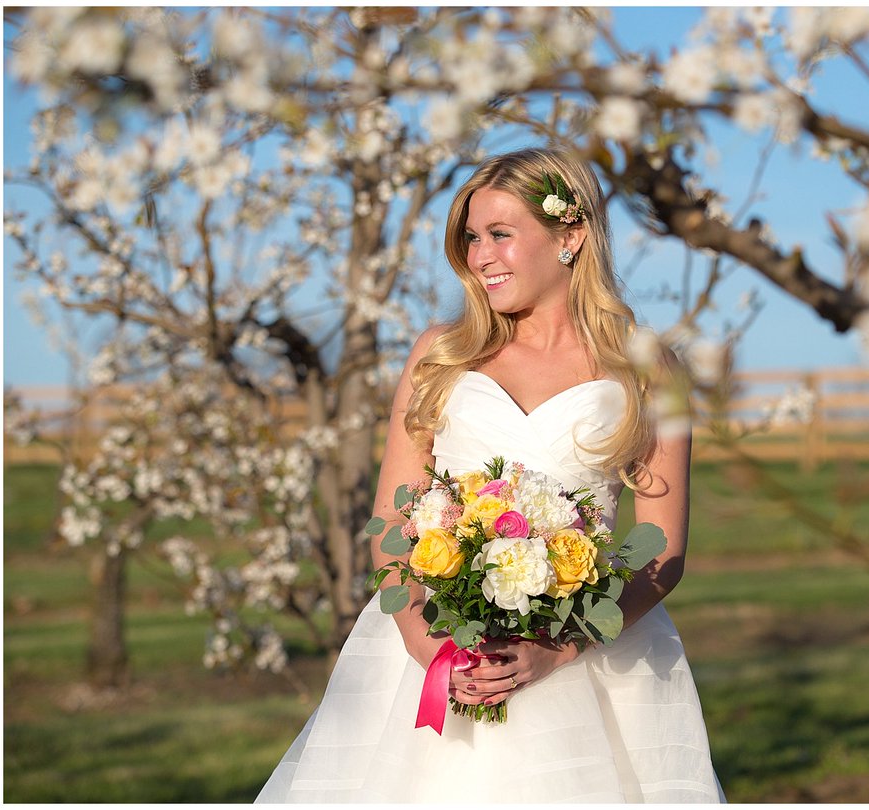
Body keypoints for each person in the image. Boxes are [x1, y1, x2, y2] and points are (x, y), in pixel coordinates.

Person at [256, 147, 724, 803]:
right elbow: (391, 517)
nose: (480, 256)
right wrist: (423, 639)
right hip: (434, 650)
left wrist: (558, 649)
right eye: (472, 237)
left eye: (500, 234)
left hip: (586, 659)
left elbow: (663, 552)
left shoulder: (648, 371)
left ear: (570, 235)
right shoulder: (441, 355)